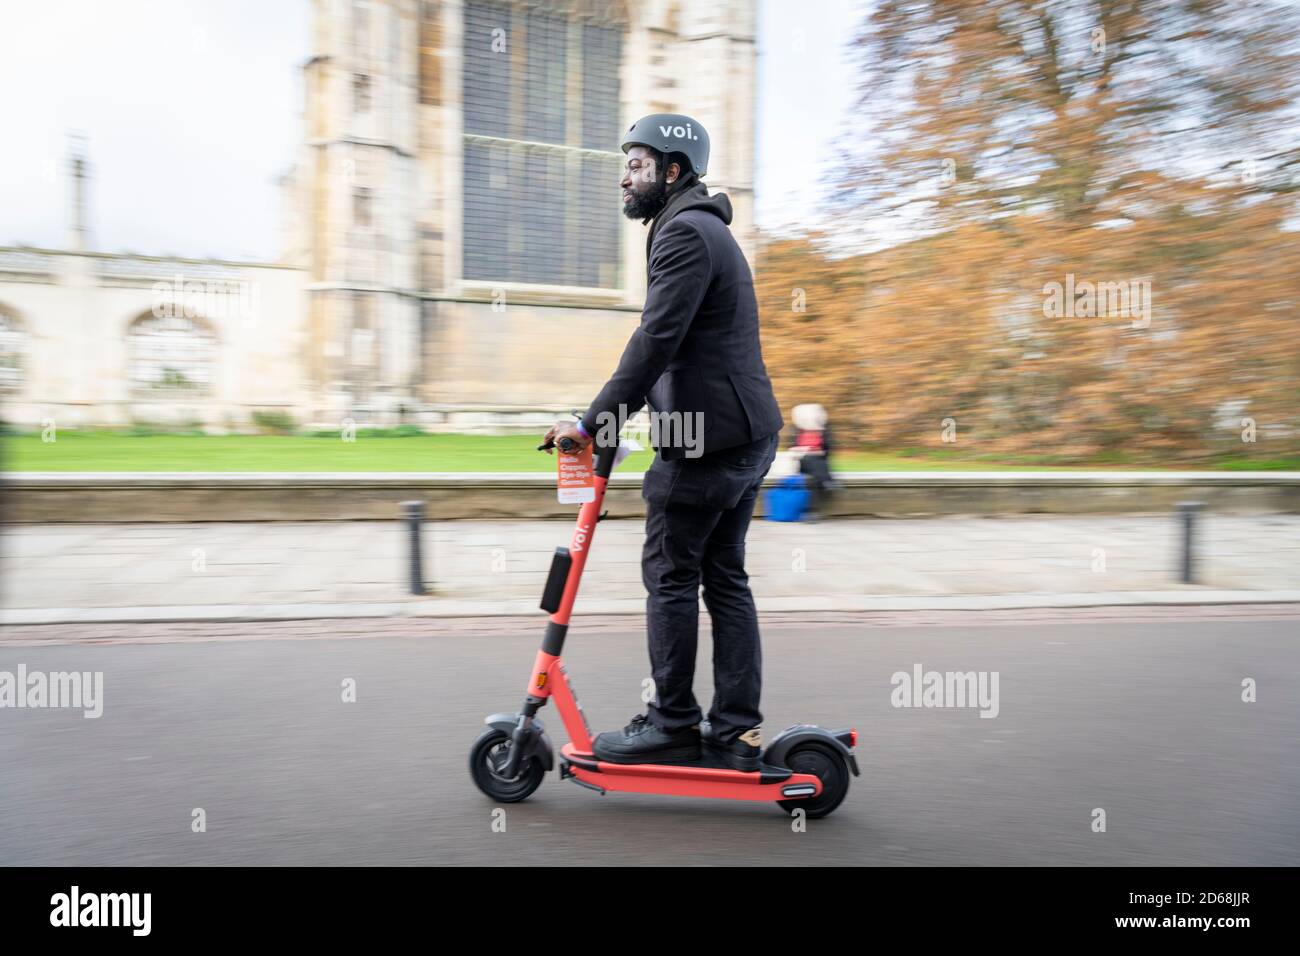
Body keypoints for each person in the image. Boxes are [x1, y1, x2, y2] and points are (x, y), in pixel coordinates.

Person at [542, 113, 783, 771]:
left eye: (637, 164)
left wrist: (593, 425)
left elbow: (655, 342)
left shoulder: (683, 234)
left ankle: (674, 722)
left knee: (671, 572)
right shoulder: (698, 227)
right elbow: (682, 353)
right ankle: (736, 730)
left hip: (710, 444)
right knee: (723, 575)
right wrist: (618, 426)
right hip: (745, 431)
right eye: (625, 163)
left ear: (673, 170)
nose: (624, 175)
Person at [790, 403, 837, 517]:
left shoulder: (824, 430)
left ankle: (811, 510)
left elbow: (827, 450)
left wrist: (814, 451)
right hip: (801, 462)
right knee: (812, 464)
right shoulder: (796, 430)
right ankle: (826, 480)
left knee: (814, 479)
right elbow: (791, 447)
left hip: (818, 461)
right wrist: (802, 450)